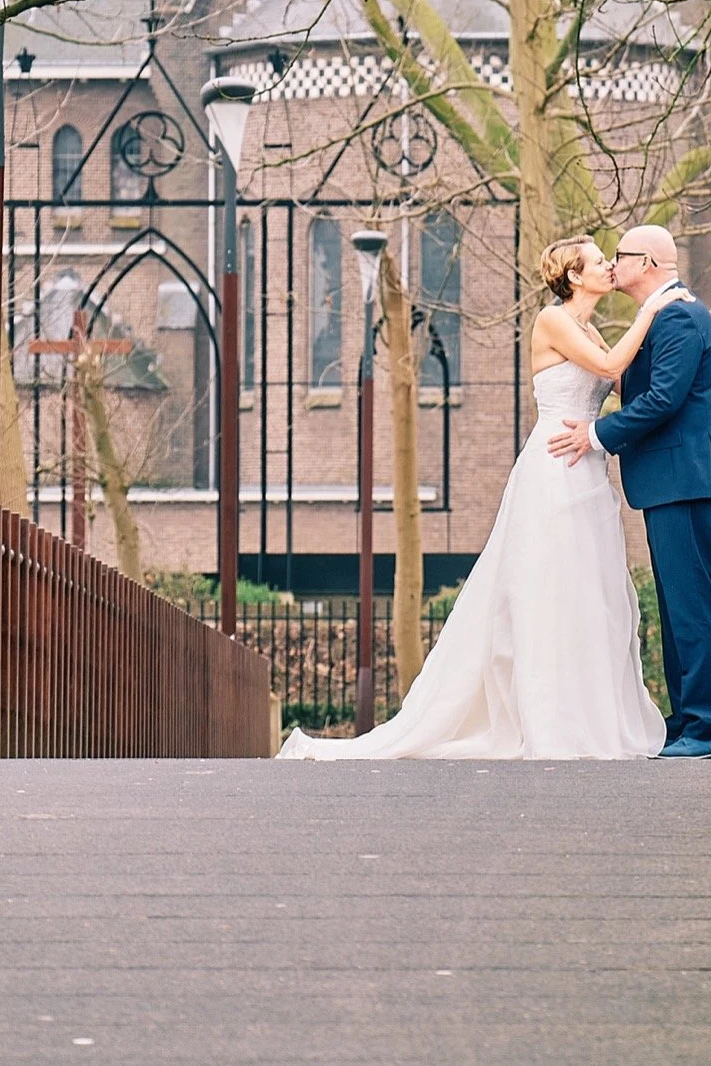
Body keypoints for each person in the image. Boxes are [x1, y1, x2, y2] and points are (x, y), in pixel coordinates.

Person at [276, 235, 677, 760]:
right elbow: (606, 371)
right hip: (554, 470)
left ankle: (589, 717)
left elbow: (619, 382)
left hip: (589, 471)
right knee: (547, 591)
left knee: (589, 596)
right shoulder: (552, 320)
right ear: (574, 277)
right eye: (600, 262)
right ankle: (547, 720)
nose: (608, 268)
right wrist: (653, 306)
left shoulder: (591, 329)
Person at [547, 225, 711, 758]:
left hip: (685, 479)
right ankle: (687, 722)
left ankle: (706, 728)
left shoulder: (678, 316)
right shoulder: (662, 315)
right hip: (674, 480)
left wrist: (594, 435)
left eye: (620, 256)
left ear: (648, 262)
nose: (614, 264)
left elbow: (662, 400)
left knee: (692, 605)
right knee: (679, 604)